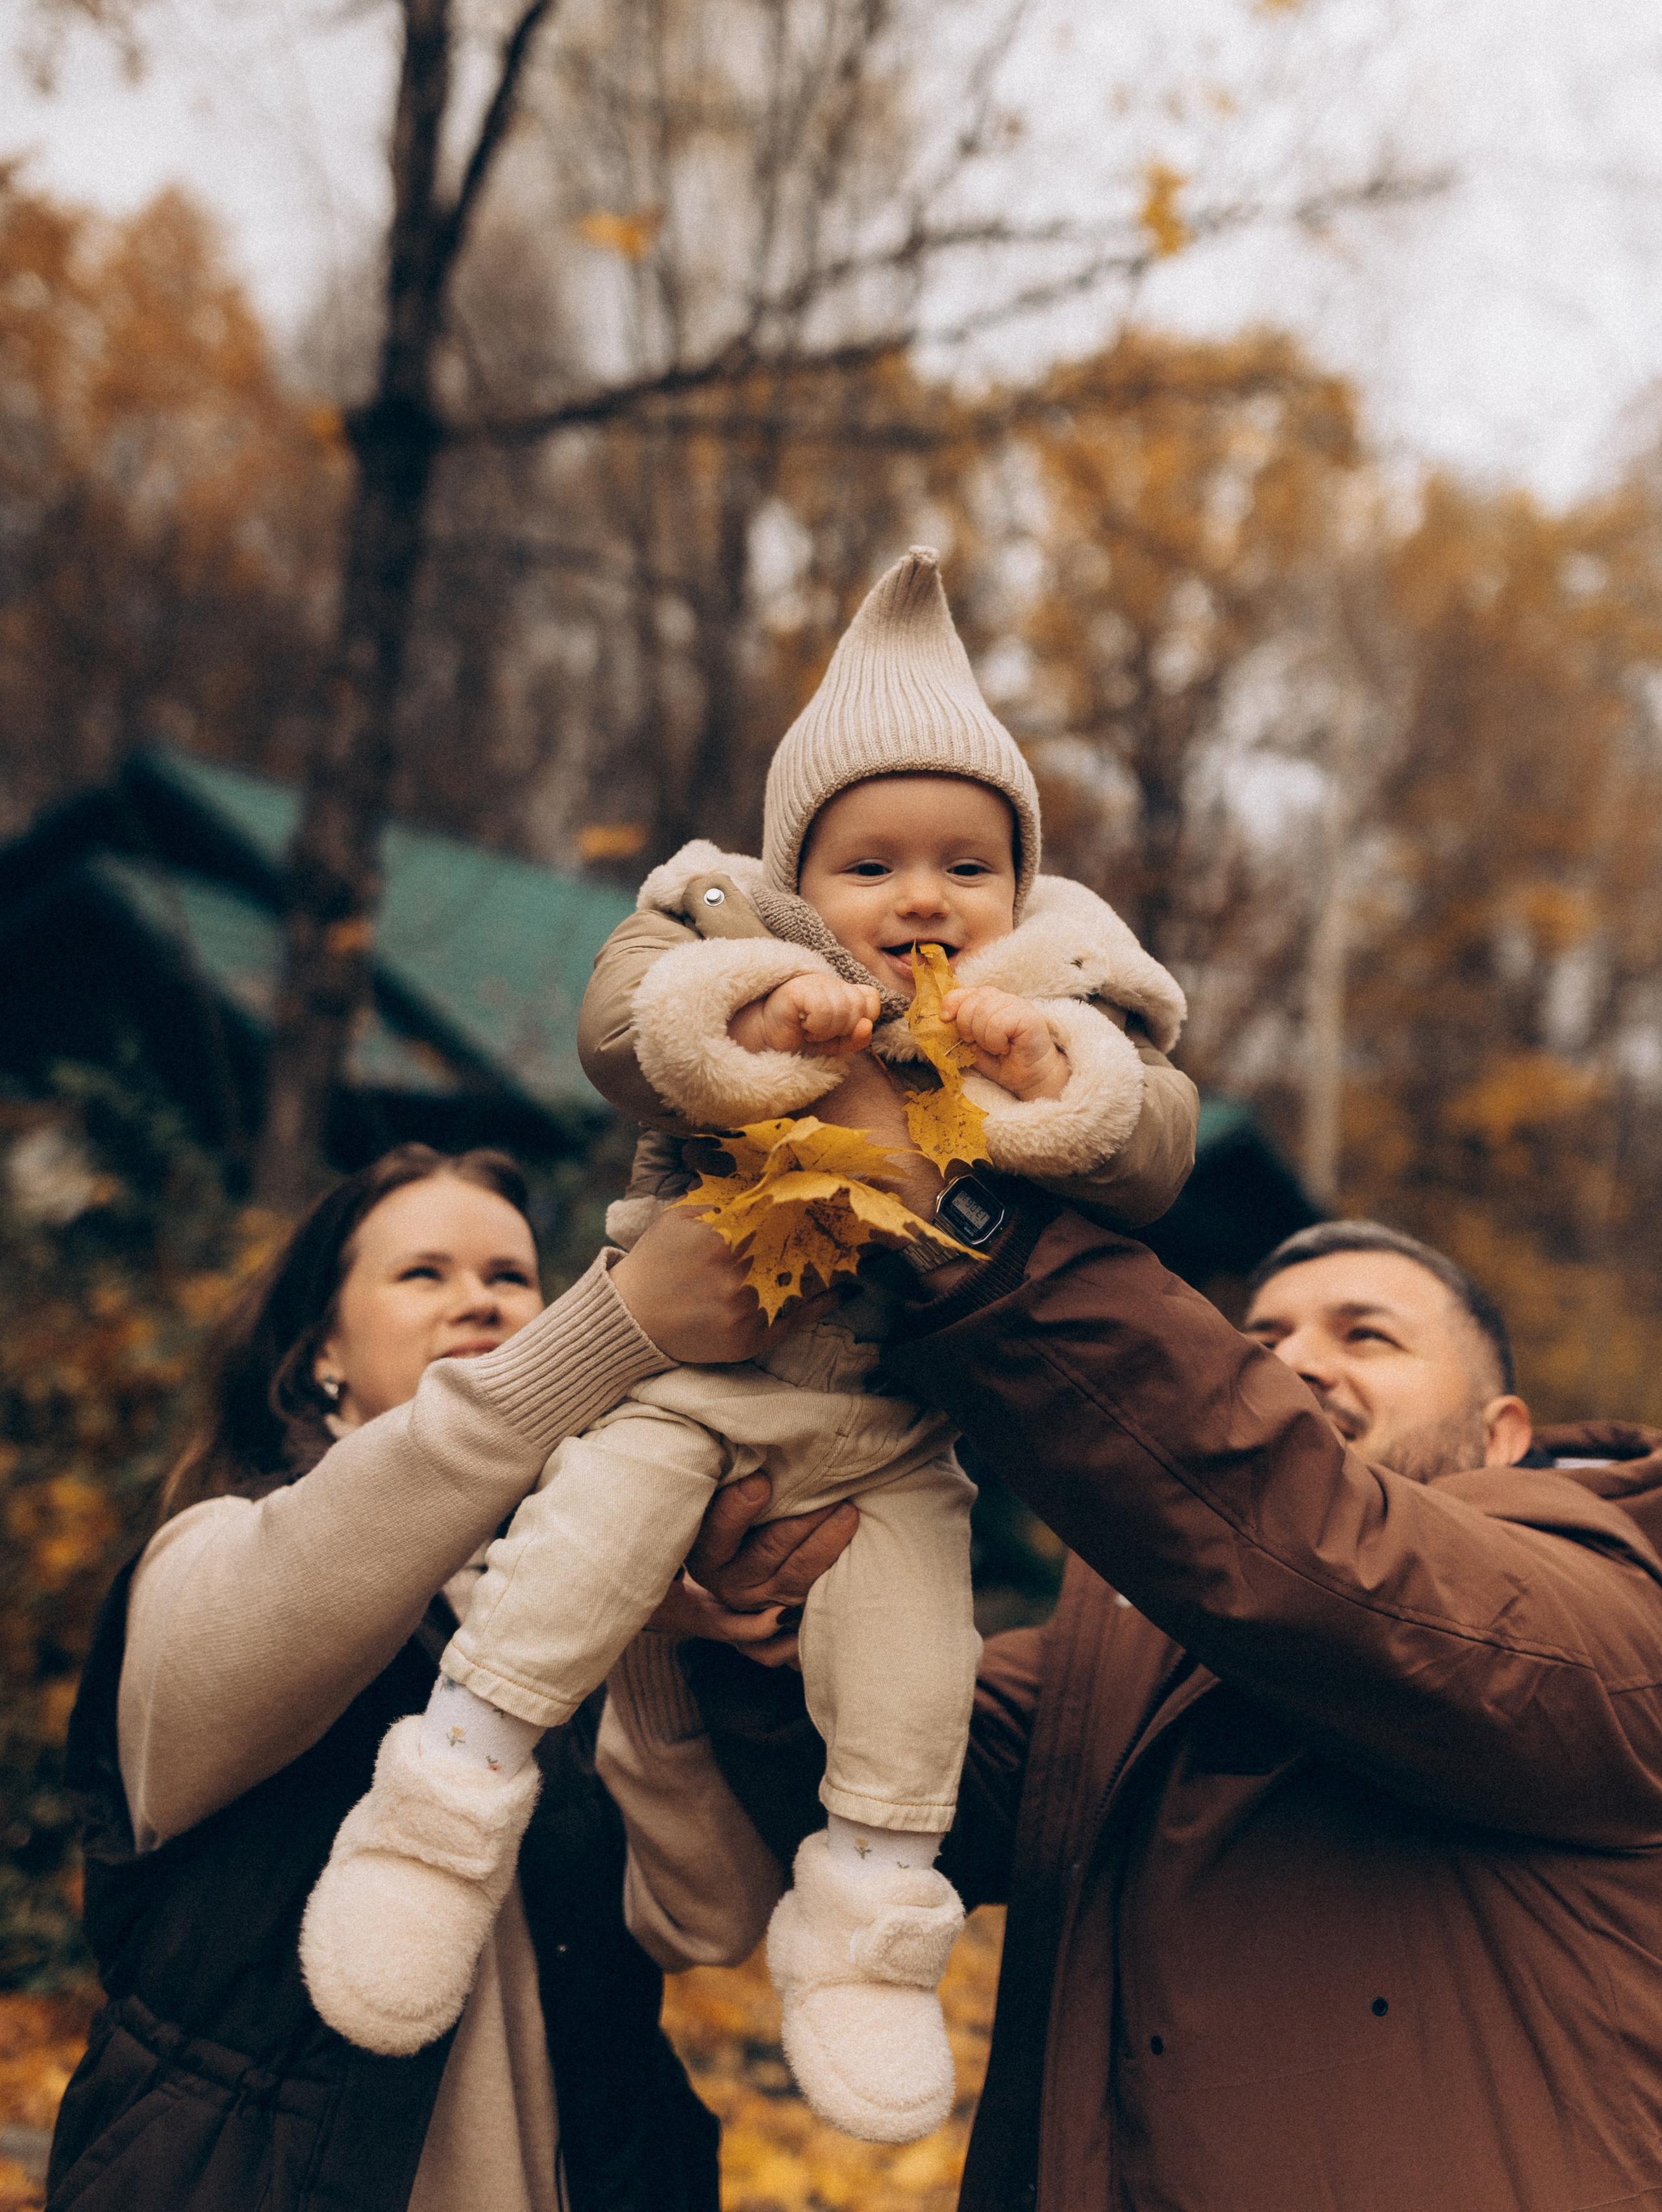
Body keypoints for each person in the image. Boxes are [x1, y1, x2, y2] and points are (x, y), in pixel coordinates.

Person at [302, 546, 1197, 2146]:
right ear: (800, 874)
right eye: (871, 865)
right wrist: (758, 1013)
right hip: (694, 1387)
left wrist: (1048, 1066)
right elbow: (621, 1018)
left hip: (894, 1433)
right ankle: (441, 1803)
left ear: (1019, 882)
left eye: (962, 864)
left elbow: (1151, 1143)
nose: (921, 899)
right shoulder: (724, 921)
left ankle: (867, 1913)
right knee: (575, 1557)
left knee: (915, 1667)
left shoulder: (1056, 977)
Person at [671, 1107, 1662, 2212]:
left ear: (1504, 1434)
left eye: (1365, 1336)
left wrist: (974, 1229)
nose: (1294, 1367)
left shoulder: (1607, 1602)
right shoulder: (1118, 1650)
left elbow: (1320, 1549)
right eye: (1263, 1340)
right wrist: (765, 1612)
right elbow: (891, 1783)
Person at [46, 1140, 825, 2212]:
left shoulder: (575, 1593)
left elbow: (706, 1922)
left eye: (510, 1278)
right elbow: (293, 1606)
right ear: (323, 1345)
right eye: (426, 1274)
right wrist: (605, 1333)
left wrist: (644, 1636)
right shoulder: (214, 1546)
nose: (479, 1301)